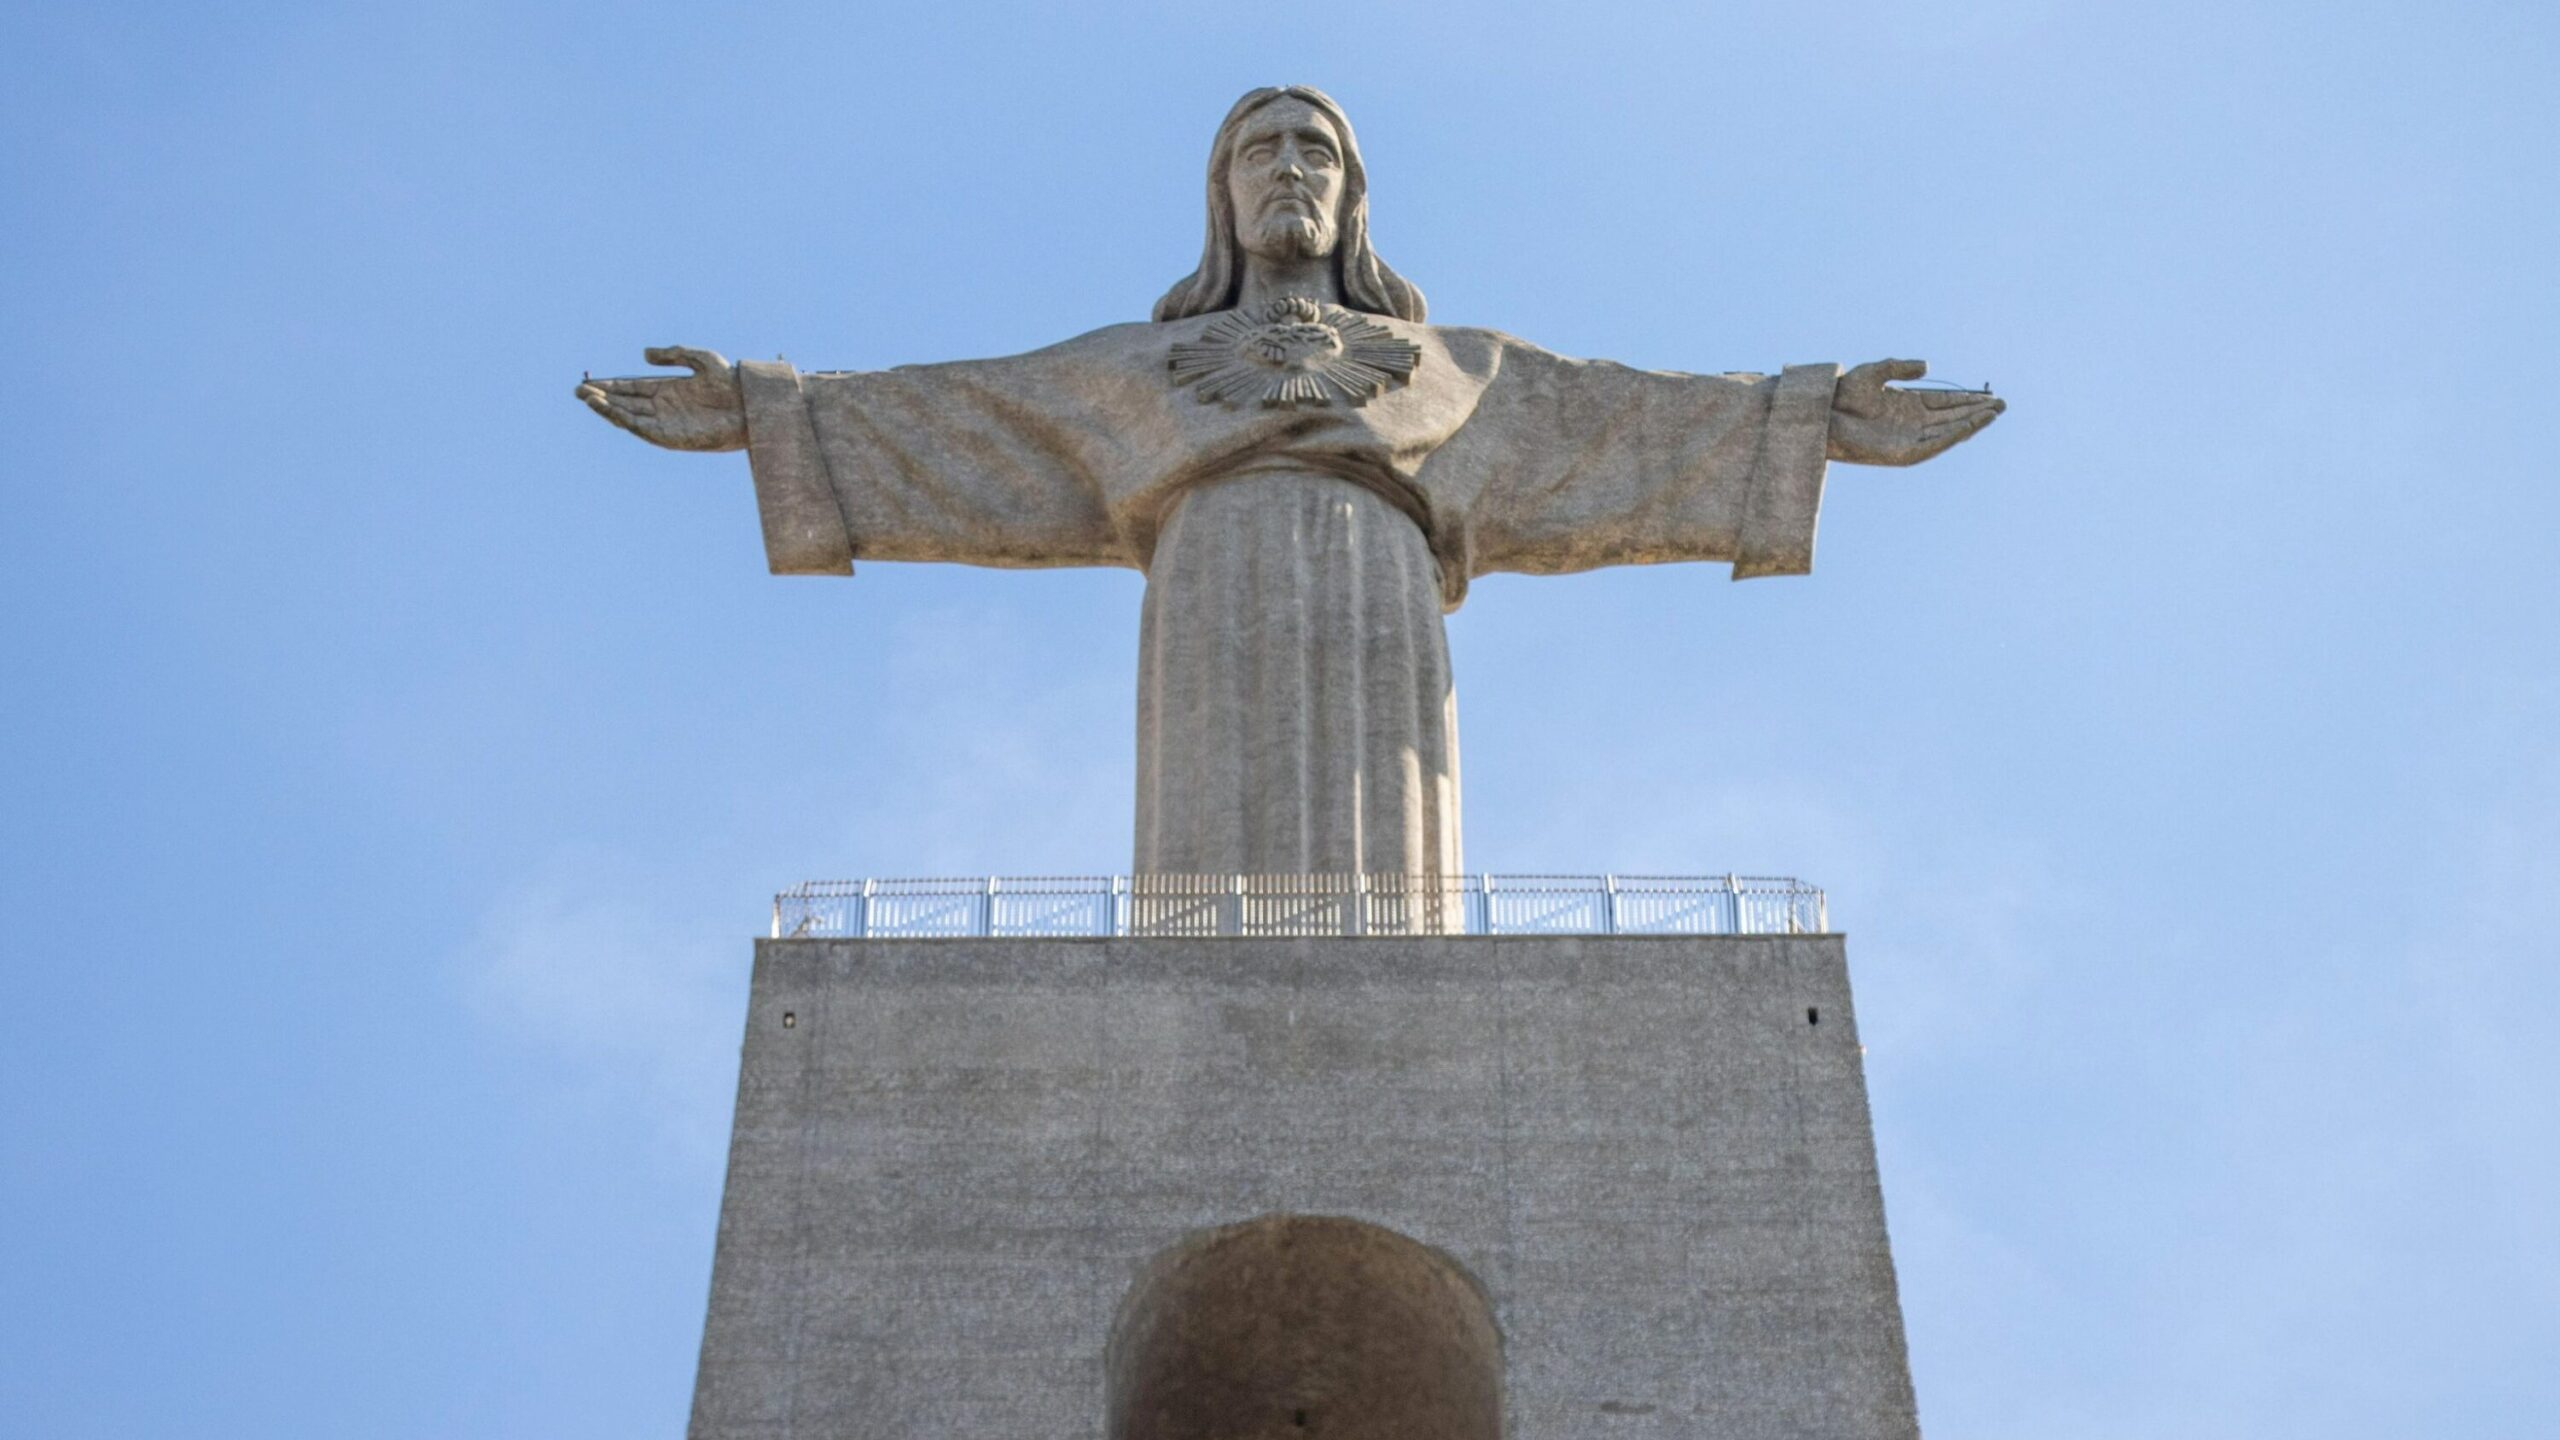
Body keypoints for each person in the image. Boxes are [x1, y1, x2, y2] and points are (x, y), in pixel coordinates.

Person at [578, 86, 2002, 877]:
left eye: (1314, 149)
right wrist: (768, 415)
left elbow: (1624, 424)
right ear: (1224, 192)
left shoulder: (1457, 365)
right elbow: (963, 417)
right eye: (1259, 149)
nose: (1287, 168)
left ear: (1352, 192)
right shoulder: (1129, 369)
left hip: (1386, 589)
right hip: (1208, 582)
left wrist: (1809, 423)